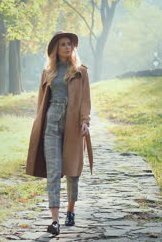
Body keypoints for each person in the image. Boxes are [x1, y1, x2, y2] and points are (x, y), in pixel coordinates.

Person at [26, 31, 93, 235]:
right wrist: (39, 123)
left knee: (72, 171)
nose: (67, 47)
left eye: (70, 44)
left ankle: (70, 210)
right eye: (63, 44)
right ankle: (54, 221)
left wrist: (85, 122)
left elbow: (85, 100)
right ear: (56, 48)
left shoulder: (80, 71)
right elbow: (41, 102)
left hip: (72, 125)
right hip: (51, 125)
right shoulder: (48, 73)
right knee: (53, 172)